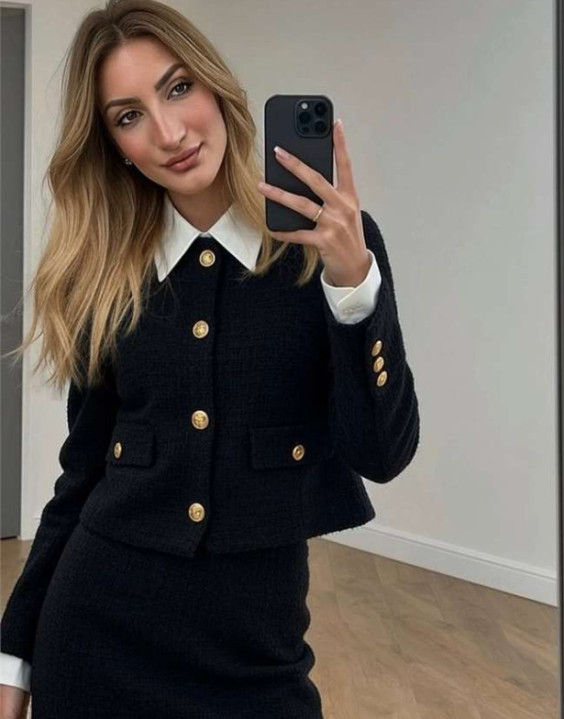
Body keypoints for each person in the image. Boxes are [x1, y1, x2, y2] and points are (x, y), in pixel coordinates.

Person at [0, 1, 420, 717]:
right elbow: (81, 477)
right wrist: (14, 654)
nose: (168, 133)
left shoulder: (329, 248)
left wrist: (353, 284)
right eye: (128, 116)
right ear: (113, 145)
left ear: (216, 86)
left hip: (256, 662)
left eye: (177, 88)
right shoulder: (107, 274)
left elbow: (380, 453)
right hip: (96, 641)